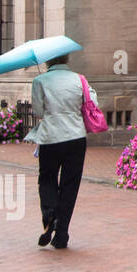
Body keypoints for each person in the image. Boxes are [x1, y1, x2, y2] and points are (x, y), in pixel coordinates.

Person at [29, 54, 98, 249]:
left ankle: (50, 213)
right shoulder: (80, 79)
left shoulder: (40, 81)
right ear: (67, 59)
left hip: (51, 137)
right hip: (76, 137)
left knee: (47, 178)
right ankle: (61, 234)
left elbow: (38, 111)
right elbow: (93, 101)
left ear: (47, 62)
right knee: (70, 185)